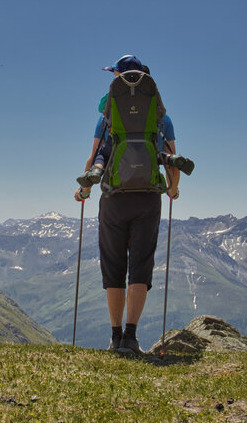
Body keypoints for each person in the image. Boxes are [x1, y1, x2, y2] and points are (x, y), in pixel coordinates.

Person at [75, 55, 179, 354]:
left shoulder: (107, 116)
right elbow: (171, 162)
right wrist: (172, 190)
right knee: (140, 266)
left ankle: (116, 335)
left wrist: (83, 191)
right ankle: (132, 338)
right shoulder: (161, 117)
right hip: (148, 198)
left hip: (113, 198)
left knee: (114, 266)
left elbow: (95, 156)